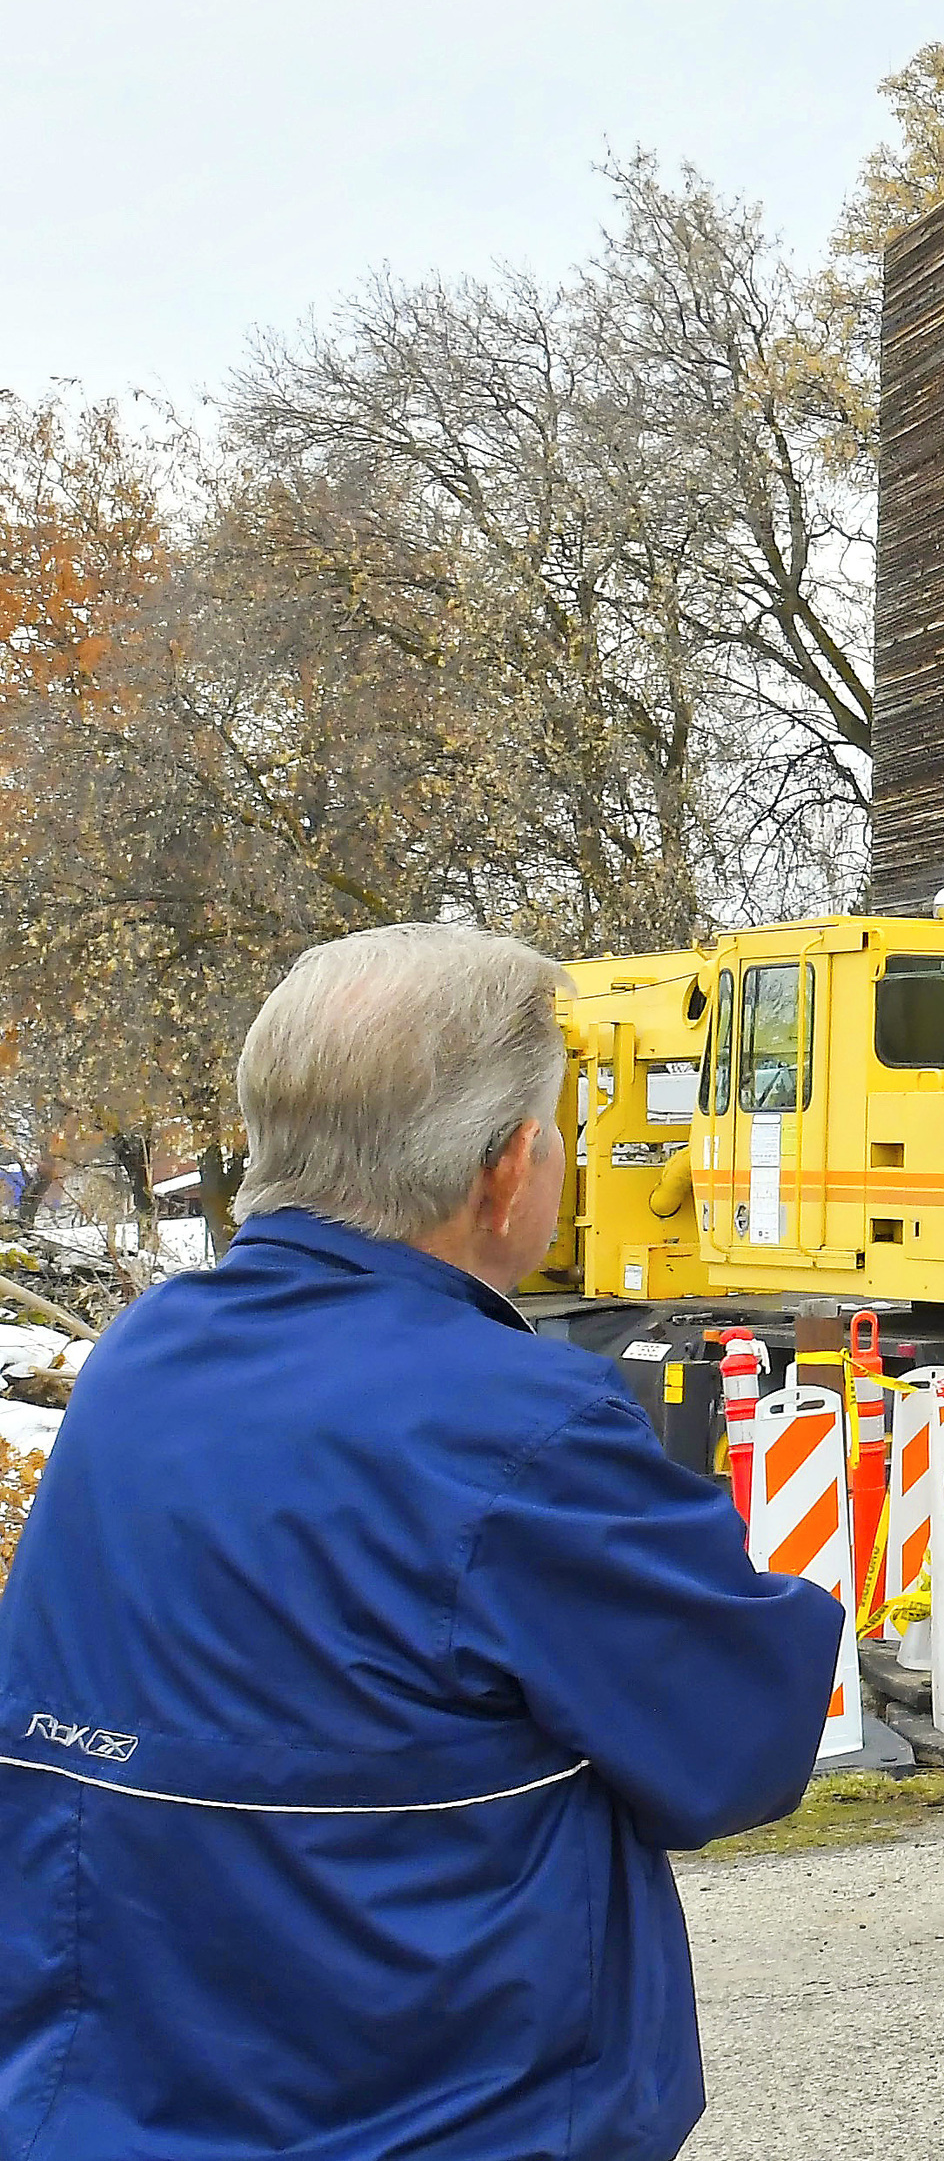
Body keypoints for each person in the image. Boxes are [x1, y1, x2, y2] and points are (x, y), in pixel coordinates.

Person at [0, 923, 843, 2161]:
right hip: (437, 2110)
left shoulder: (146, 1353)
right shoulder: (520, 1423)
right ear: (505, 1171)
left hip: (120, 2100)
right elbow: (732, 1750)